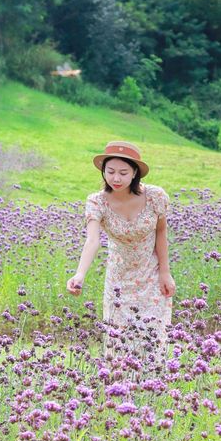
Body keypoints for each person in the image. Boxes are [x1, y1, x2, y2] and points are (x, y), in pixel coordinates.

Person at [67, 140, 176, 369]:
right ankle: (120, 392)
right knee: (119, 341)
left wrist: (165, 272)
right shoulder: (97, 201)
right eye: (110, 172)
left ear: (135, 173)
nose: (116, 179)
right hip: (119, 279)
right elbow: (93, 240)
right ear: (103, 172)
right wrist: (79, 275)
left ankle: (153, 388)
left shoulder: (155, 196)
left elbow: (161, 230)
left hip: (151, 274)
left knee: (153, 336)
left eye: (123, 173)